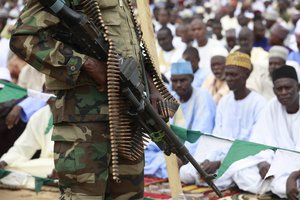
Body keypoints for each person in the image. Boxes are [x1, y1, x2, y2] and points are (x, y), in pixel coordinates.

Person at [10, 1, 168, 199]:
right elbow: (23, 38)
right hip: (84, 126)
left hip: (127, 123)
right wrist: (85, 64)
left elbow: (128, 48)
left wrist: (152, 86)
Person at [219, 65, 300, 195]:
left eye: (288, 88)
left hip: (296, 169)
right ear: (274, 91)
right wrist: (263, 162)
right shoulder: (272, 106)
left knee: (280, 185)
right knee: (240, 170)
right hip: (278, 163)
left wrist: (294, 175)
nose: (284, 92)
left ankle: (279, 186)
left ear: (298, 87)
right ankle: (277, 187)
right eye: (279, 89)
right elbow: (260, 141)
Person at [144, 60, 215, 178]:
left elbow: (201, 134)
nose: (178, 85)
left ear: (191, 79)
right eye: (174, 81)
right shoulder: (173, 98)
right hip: (173, 150)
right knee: (144, 156)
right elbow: (165, 129)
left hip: (194, 150)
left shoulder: (202, 97)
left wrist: (182, 156)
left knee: (186, 168)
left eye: (183, 80)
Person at [202, 52, 266, 175]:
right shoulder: (224, 101)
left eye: (233, 75)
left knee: (242, 175)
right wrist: (209, 159)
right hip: (220, 156)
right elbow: (217, 136)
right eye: (227, 74)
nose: (229, 79)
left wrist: (221, 163)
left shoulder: (259, 103)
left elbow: (255, 144)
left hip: (244, 159)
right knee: (188, 171)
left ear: (246, 75)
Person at [0, 105, 54, 178]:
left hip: (69, 165)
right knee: (9, 169)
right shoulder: (42, 113)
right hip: (45, 166)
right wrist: (4, 162)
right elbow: (22, 148)